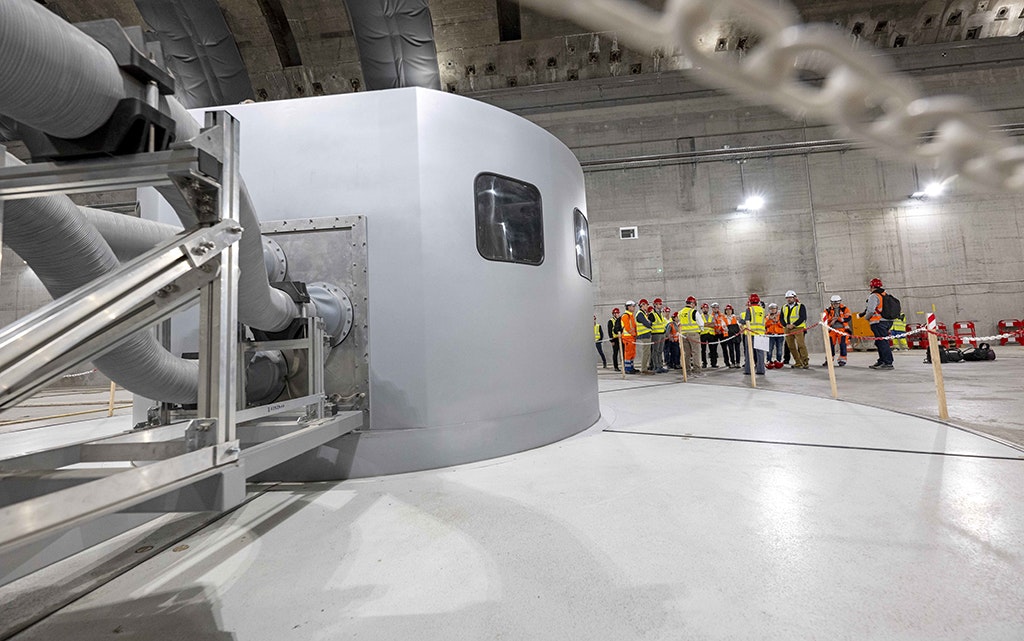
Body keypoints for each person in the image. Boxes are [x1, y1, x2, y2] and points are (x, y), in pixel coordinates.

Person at [862, 278, 894, 370]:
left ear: (872, 286)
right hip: (888, 321)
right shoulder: (885, 294)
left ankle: (887, 362)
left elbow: (871, 310)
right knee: (880, 342)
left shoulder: (874, 296)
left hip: (878, 322)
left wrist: (866, 318)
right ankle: (882, 360)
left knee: (882, 343)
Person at [781, 290, 809, 369]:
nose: (789, 299)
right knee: (791, 346)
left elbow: (803, 317)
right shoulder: (784, 307)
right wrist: (786, 325)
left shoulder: (800, 306)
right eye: (787, 298)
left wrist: (794, 325)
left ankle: (805, 361)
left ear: (794, 298)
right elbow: (781, 318)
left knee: (801, 345)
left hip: (798, 328)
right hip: (787, 328)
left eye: (790, 297)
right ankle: (798, 362)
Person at [741, 293, 767, 375]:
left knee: (749, 352)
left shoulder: (749, 309)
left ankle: (748, 370)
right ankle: (761, 370)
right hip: (760, 334)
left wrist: (740, 321)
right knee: (760, 353)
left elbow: (746, 320)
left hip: (750, 334)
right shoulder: (762, 310)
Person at [823, 295, 852, 367]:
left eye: (837, 303)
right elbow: (824, 320)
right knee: (830, 346)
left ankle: (842, 360)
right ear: (831, 303)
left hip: (842, 330)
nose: (835, 305)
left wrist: (838, 319)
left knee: (843, 345)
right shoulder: (827, 310)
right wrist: (832, 320)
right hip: (832, 330)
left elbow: (848, 318)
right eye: (834, 303)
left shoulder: (844, 309)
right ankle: (829, 360)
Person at [678, 296, 704, 374]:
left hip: (683, 335)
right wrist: (700, 331)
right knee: (696, 352)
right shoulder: (694, 312)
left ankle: (687, 370)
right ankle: (697, 369)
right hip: (693, 334)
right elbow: (701, 323)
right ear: (692, 303)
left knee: (686, 353)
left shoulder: (680, 312)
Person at [635, 298, 654, 375]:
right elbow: (647, 324)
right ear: (642, 305)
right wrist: (649, 323)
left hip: (646, 334)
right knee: (646, 352)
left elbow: (649, 323)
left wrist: (649, 323)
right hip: (644, 335)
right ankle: (644, 369)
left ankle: (644, 368)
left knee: (647, 352)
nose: (647, 306)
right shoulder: (640, 314)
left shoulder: (643, 313)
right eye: (646, 305)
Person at [650, 298, 668, 373]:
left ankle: (660, 365)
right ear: (655, 305)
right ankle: (656, 366)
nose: (660, 305)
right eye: (659, 304)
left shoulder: (660, 313)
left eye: (660, 304)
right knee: (655, 351)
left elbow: (663, 323)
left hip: (662, 333)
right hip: (656, 334)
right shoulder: (652, 314)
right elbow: (650, 324)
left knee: (660, 351)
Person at [765, 303, 785, 368]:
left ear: (776, 309)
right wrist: (770, 320)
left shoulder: (780, 316)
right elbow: (765, 325)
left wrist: (777, 321)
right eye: (771, 309)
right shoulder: (767, 316)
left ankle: (778, 360)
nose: (772, 310)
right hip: (770, 335)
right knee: (769, 349)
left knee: (779, 349)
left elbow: (783, 325)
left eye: (774, 308)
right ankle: (769, 360)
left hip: (779, 334)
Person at [721, 304, 741, 368]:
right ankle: (732, 362)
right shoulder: (724, 318)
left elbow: (739, 325)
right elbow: (724, 327)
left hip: (736, 335)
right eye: (727, 310)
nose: (728, 311)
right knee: (731, 349)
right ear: (725, 311)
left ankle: (738, 362)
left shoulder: (735, 317)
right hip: (729, 336)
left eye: (730, 310)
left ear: (732, 310)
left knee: (737, 349)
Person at [700, 303, 719, 368]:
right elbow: (700, 325)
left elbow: (713, 325)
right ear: (702, 309)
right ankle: (704, 363)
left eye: (706, 308)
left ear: (708, 309)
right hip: (703, 334)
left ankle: (713, 363)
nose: (705, 309)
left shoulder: (711, 316)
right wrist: (709, 324)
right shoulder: (700, 316)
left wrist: (705, 324)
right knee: (703, 350)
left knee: (713, 349)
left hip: (711, 334)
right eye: (704, 308)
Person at [621, 301, 638, 374]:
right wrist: (634, 334)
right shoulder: (625, 316)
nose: (634, 308)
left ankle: (631, 367)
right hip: (627, 338)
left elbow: (634, 326)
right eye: (633, 306)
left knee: (632, 353)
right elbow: (628, 327)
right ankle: (627, 368)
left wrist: (635, 334)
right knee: (628, 353)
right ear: (628, 307)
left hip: (632, 337)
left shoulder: (631, 315)